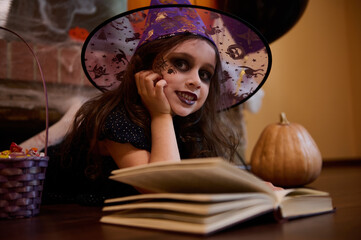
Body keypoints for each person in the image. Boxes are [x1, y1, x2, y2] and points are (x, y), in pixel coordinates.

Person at [42, 0, 272, 205]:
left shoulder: (189, 127)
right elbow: (162, 187)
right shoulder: (117, 118)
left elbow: (190, 184)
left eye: (205, 74)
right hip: (47, 210)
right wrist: (160, 116)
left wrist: (251, 189)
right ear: (144, 68)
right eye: (181, 64)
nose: (196, 82)